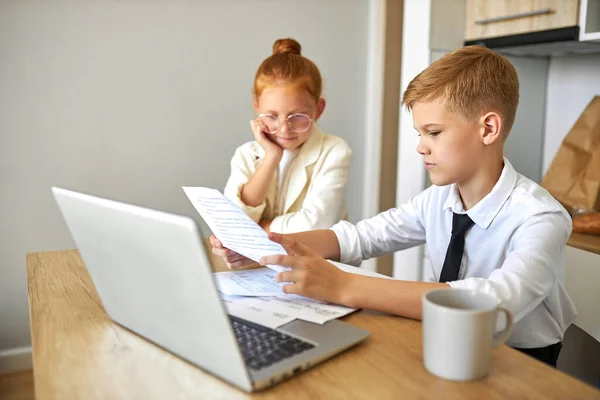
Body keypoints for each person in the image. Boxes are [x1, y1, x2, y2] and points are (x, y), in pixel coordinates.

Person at [213, 45, 576, 367]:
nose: (421, 147)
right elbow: (360, 237)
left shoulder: (540, 217)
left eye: (433, 133)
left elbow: (496, 302)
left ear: (488, 128)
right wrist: (267, 250)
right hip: (443, 344)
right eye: (420, 134)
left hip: (519, 363)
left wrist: (342, 286)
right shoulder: (437, 199)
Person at [223, 38, 352, 234]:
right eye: (272, 116)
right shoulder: (246, 154)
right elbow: (234, 221)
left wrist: (263, 228)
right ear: (257, 107)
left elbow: (316, 225)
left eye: (297, 116)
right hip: (259, 262)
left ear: (318, 109)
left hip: (317, 261)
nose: (284, 129)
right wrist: (271, 157)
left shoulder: (334, 151)